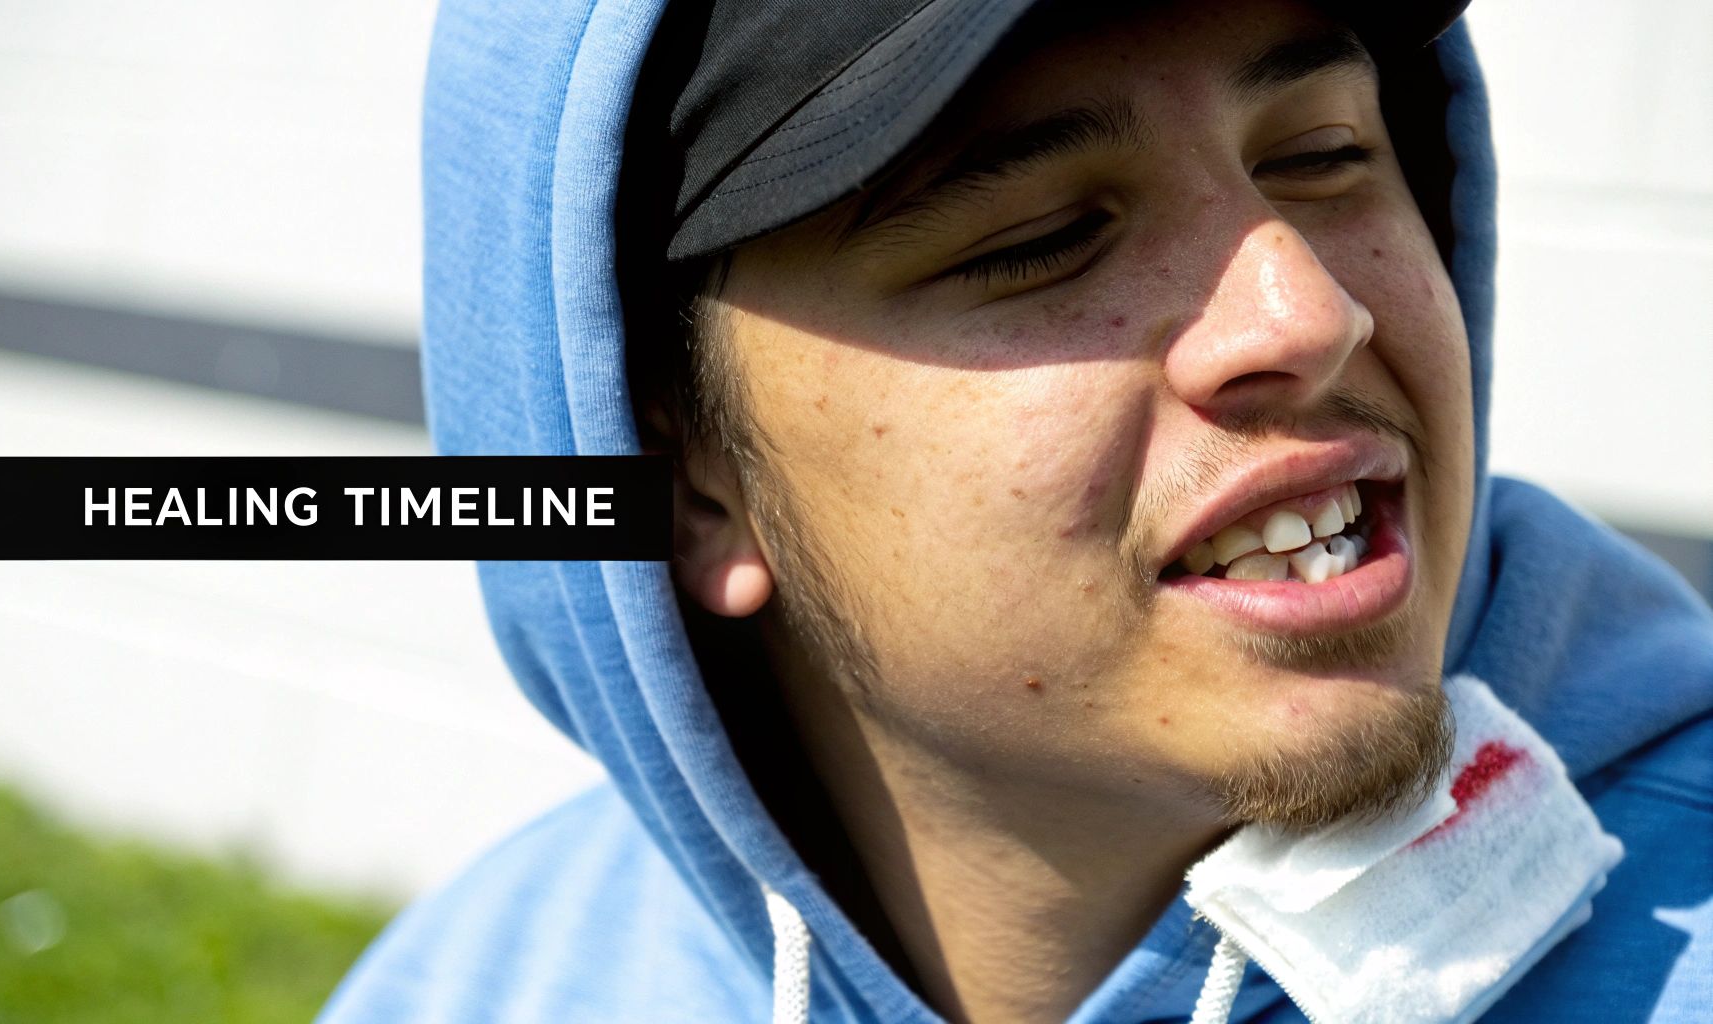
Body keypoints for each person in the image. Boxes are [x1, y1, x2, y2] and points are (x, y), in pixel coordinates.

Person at [322, 0, 1713, 1020]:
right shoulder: (483, 985)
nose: (1307, 311)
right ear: (694, 484)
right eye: (1039, 239)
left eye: (1325, 154)